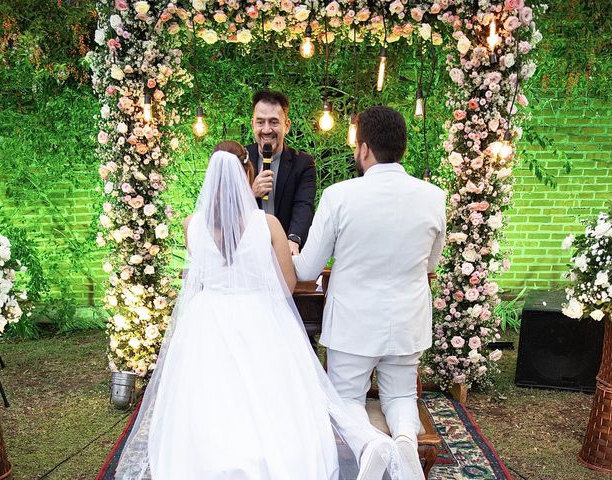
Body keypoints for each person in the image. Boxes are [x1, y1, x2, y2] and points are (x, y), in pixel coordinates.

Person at [114, 141, 402, 480]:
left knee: (207, 399)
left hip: (206, 320)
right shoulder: (268, 226)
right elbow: (287, 285)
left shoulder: (192, 225)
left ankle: (209, 465)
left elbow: (203, 276)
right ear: (247, 174)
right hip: (259, 317)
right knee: (271, 399)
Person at [293, 107, 447, 480]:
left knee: (348, 397)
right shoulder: (433, 196)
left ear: (363, 149)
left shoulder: (339, 195)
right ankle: (406, 443)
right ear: (403, 149)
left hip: (353, 322)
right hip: (407, 320)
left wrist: (288, 249)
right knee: (400, 397)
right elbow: (431, 264)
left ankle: (369, 445)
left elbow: (308, 270)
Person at [247, 90, 316, 255]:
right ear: (252, 124)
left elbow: (303, 206)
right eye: (260, 122)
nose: (266, 129)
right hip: (247, 253)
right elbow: (225, 208)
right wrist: (251, 192)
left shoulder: (303, 163)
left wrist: (293, 240)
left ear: (287, 125)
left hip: (285, 252)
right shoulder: (240, 159)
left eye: (274, 122)